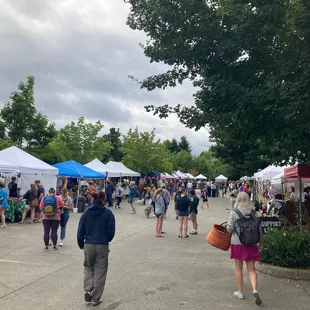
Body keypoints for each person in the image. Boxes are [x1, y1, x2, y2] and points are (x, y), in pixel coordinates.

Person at [77, 191, 115, 307]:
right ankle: (96, 298)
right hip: (102, 244)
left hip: (88, 244)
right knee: (100, 270)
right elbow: (111, 232)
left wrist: (81, 244)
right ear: (104, 200)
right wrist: (106, 239)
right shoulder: (108, 214)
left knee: (88, 267)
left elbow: (80, 230)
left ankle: (88, 289)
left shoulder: (86, 213)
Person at [226, 192, 262, 305]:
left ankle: (240, 292)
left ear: (237, 200)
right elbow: (260, 229)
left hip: (237, 243)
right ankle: (254, 289)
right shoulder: (254, 213)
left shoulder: (234, 213)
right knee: (251, 269)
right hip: (252, 243)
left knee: (238, 268)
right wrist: (260, 242)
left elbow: (229, 229)